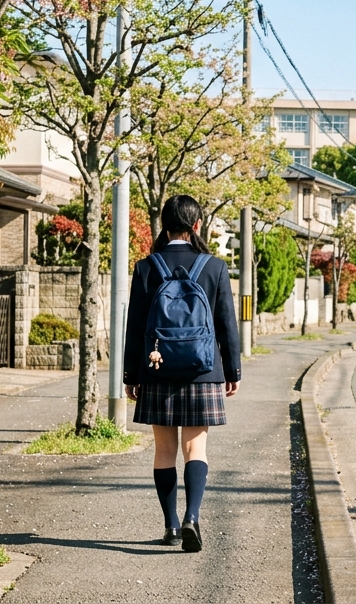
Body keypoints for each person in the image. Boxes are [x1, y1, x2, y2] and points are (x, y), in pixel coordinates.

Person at [123, 195, 242, 552]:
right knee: (196, 448)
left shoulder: (147, 267)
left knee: (164, 450)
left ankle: (171, 526)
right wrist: (232, 368)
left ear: (163, 225)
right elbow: (226, 324)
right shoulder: (214, 267)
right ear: (197, 225)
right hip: (203, 371)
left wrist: (132, 374)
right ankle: (192, 517)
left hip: (157, 368)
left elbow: (135, 327)